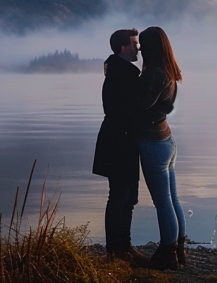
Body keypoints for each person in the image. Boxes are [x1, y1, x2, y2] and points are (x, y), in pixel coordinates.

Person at [92, 28, 148, 266]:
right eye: (135, 44)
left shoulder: (119, 69)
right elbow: (127, 109)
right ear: (123, 47)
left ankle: (124, 245)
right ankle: (116, 249)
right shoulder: (121, 73)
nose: (138, 48)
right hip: (118, 141)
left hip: (122, 140)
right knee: (119, 196)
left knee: (129, 196)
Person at [134, 26, 186, 271]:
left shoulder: (155, 73)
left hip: (154, 143)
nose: (140, 50)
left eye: (143, 45)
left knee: (163, 201)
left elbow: (142, 104)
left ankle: (168, 252)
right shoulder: (169, 71)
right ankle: (178, 249)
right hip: (166, 140)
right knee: (171, 199)